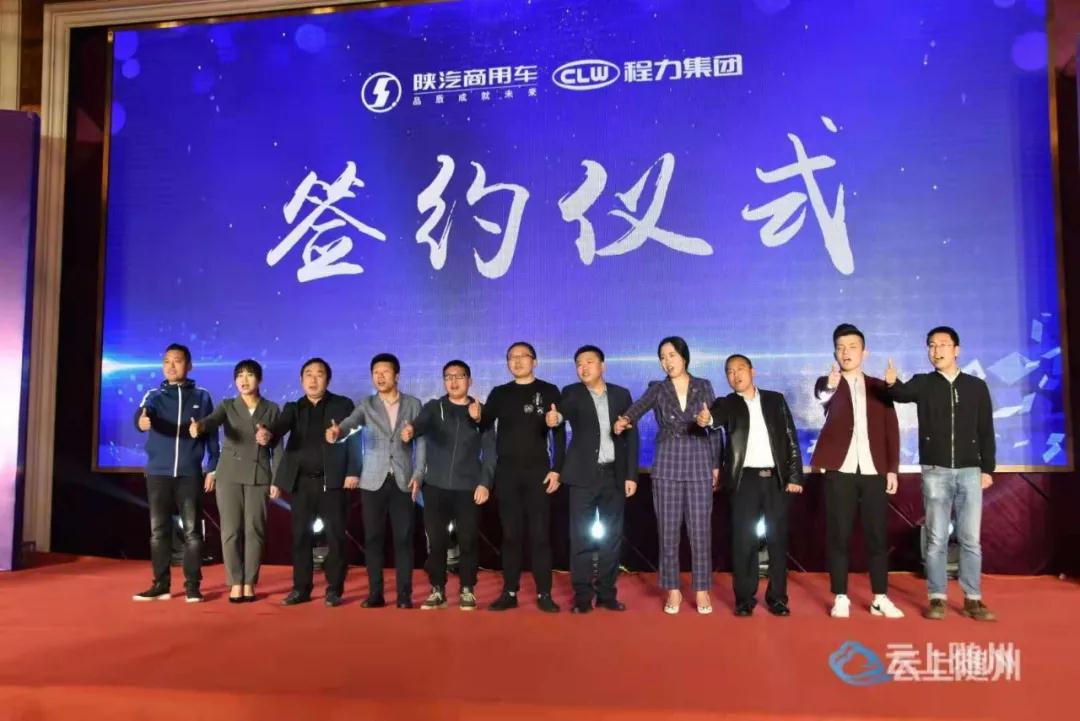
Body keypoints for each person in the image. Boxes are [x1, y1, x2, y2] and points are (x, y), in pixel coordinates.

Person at [885, 326, 997, 621]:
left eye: (943, 345)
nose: (937, 351)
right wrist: (892, 383)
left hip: (970, 471)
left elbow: (986, 430)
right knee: (936, 539)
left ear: (956, 350)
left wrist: (987, 468)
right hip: (935, 471)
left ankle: (973, 599)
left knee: (970, 539)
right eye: (932, 345)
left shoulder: (976, 386)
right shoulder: (923, 383)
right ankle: (937, 598)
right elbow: (899, 393)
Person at [614, 336, 721, 615]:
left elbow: (714, 425)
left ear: (684, 356)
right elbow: (639, 406)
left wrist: (715, 464)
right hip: (667, 462)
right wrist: (625, 419)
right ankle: (673, 589)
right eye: (662, 357)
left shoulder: (704, 385)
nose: (667, 361)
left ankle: (701, 589)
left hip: (699, 460)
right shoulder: (658, 388)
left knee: (700, 531)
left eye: (671, 355)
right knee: (668, 531)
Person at [696, 354, 803, 617]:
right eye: (729, 372)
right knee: (743, 542)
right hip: (744, 481)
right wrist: (706, 419)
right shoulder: (727, 403)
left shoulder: (775, 400)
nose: (735, 375)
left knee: (778, 541)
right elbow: (715, 418)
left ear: (752, 371)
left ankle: (778, 598)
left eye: (740, 369)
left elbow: (790, 437)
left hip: (775, 479)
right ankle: (744, 599)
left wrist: (794, 477)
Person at [810, 323, 904, 619]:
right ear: (834, 353)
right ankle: (840, 596)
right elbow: (822, 395)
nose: (846, 352)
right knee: (838, 535)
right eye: (840, 348)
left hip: (874, 470)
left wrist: (892, 469)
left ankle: (880, 597)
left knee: (877, 536)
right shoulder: (829, 383)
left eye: (852, 347)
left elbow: (891, 430)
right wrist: (830, 385)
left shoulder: (879, 387)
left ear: (864, 352)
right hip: (840, 470)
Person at [469, 341, 566, 612]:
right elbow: (485, 423)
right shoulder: (500, 393)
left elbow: (558, 433)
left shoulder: (549, 390)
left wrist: (557, 469)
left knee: (540, 536)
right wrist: (476, 416)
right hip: (507, 475)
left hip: (538, 474)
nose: (517, 361)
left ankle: (544, 594)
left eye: (523, 356)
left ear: (535, 361)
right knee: (511, 536)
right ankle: (509, 592)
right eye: (512, 357)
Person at [326, 353, 425, 609]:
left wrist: (419, 473)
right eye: (376, 373)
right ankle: (375, 594)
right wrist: (338, 432)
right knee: (373, 539)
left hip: (403, 480)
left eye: (385, 372)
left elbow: (422, 441)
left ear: (397, 376)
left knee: (404, 539)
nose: (380, 377)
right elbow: (351, 423)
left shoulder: (413, 404)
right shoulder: (366, 404)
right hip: (372, 481)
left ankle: (404, 595)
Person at [258, 358, 358, 607]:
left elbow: (357, 439)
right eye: (308, 375)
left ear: (328, 379)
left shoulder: (343, 404)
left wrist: (353, 471)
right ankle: (300, 588)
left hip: (332, 483)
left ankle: (334, 589)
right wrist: (267, 433)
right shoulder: (294, 408)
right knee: (300, 537)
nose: (313, 379)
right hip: (301, 484)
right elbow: (279, 428)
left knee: (336, 538)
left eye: (319, 374)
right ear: (301, 380)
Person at [547, 345, 638, 614]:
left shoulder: (621, 394)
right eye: (579, 363)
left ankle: (607, 594)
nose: (583, 367)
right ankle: (582, 596)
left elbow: (631, 436)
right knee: (581, 539)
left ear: (602, 366)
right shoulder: (572, 392)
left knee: (612, 538)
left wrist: (631, 475)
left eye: (589, 362)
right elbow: (561, 413)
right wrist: (555, 417)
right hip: (582, 476)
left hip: (614, 476)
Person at [400, 360, 495, 611]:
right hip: (436, 486)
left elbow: (490, 453)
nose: (453, 381)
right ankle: (437, 590)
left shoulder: (480, 411)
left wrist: (485, 483)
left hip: (468, 487)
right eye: (448, 377)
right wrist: (410, 430)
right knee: (437, 541)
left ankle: (467, 589)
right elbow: (419, 424)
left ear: (469, 381)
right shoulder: (434, 407)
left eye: (459, 376)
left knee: (468, 540)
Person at [132, 343, 219, 603]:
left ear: (189, 365)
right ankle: (161, 584)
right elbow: (142, 415)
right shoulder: (154, 395)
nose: (171, 366)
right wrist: (141, 422)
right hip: (158, 473)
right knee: (159, 531)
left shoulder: (202, 396)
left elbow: (212, 435)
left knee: (192, 532)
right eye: (167, 361)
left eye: (177, 361)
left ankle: (193, 585)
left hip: (189, 474)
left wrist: (212, 467)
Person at [189, 359, 280, 603]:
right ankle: (235, 582)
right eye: (239, 375)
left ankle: (249, 582)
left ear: (259, 379)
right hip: (229, 475)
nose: (244, 380)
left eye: (249, 375)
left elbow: (278, 446)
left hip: (259, 475)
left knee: (255, 531)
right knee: (230, 531)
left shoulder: (272, 408)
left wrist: (276, 479)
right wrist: (200, 426)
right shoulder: (227, 405)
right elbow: (212, 420)